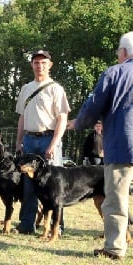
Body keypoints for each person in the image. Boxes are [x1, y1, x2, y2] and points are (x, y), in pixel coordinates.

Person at [67, 31, 133, 260]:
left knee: (116, 199)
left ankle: (115, 248)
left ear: (123, 52)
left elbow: (93, 106)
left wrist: (78, 123)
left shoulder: (115, 73)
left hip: (122, 144)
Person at [14, 50, 70, 234]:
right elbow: (22, 117)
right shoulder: (26, 88)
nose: (40, 66)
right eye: (36, 62)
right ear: (32, 65)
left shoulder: (56, 88)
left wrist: (54, 143)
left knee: (55, 186)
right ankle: (26, 224)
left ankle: (57, 226)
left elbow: (62, 118)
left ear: (50, 65)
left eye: (43, 62)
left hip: (49, 138)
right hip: (29, 140)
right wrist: (19, 141)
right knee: (28, 185)